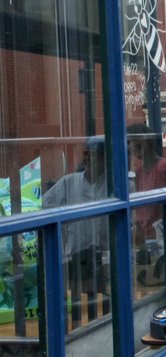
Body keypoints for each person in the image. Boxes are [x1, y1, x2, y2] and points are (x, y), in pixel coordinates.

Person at [42, 136, 109, 317]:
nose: (88, 158)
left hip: (105, 262)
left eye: (94, 155)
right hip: (76, 260)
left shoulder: (113, 185)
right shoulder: (68, 182)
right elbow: (44, 207)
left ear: (105, 158)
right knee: (77, 309)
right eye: (86, 154)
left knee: (105, 309)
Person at [127, 123, 166, 246]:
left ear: (147, 143)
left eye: (135, 142)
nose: (132, 147)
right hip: (141, 238)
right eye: (131, 143)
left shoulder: (164, 168)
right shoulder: (139, 172)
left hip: (159, 238)